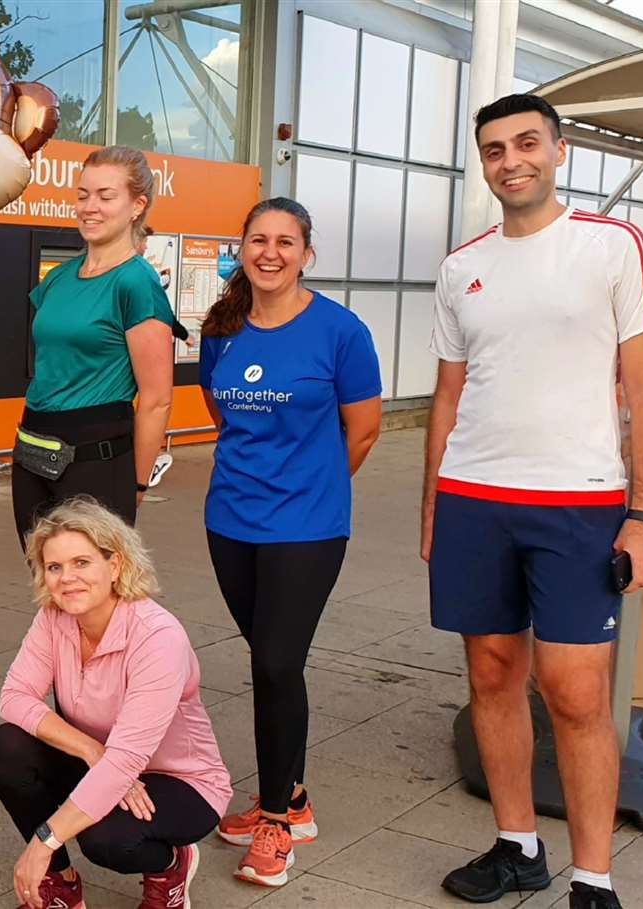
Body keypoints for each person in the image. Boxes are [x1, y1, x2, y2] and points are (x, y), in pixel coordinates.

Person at [425, 94, 643, 909]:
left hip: (579, 504)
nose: (510, 161)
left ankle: (593, 878)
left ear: (558, 150)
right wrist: (433, 509)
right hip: (473, 499)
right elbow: (448, 396)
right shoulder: (463, 265)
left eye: (526, 143)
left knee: (575, 692)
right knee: (492, 674)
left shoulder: (612, 246)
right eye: (494, 149)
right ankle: (517, 844)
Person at [196, 197, 382, 887]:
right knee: (273, 660)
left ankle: (276, 819)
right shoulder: (222, 327)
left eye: (285, 241)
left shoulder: (341, 331)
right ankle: (293, 795)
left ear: (307, 252)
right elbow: (220, 411)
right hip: (230, 521)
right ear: (242, 248)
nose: (269, 252)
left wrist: (312, 485)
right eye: (257, 239)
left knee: (275, 664)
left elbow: (361, 430)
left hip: (307, 526)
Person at [0, 497, 232, 909]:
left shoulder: (157, 637)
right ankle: (60, 884)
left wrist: (42, 843)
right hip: (103, 759)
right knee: (6, 748)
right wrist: (90, 750)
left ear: (114, 566)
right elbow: (12, 698)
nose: (67, 579)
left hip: (181, 781)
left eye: (82, 562)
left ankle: (171, 864)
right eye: (55, 567)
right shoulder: (54, 619)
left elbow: (126, 760)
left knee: (106, 839)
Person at [13, 146, 181, 541]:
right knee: (45, 579)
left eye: (106, 196)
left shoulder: (136, 282)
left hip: (96, 457)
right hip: (34, 448)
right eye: (83, 194)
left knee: (91, 587)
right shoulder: (59, 277)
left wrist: (136, 484)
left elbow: (157, 398)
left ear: (137, 205)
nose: (90, 207)